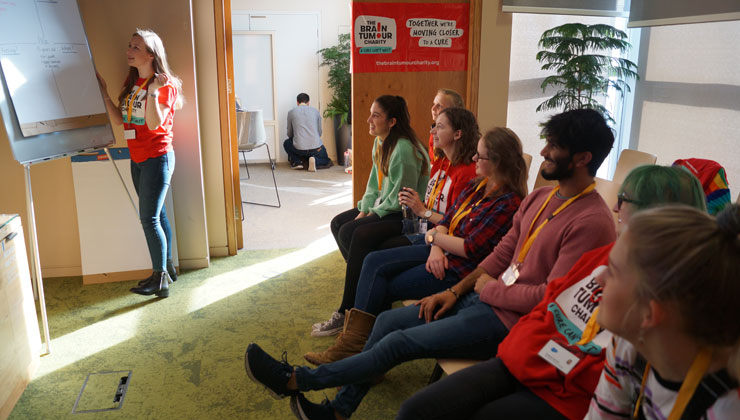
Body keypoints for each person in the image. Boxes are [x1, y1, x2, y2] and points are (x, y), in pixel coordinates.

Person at [244, 108, 617, 420]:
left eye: (555, 146)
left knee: (397, 343)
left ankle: (296, 379)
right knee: (388, 319)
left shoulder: (592, 222)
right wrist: (456, 291)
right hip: (479, 296)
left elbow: (553, 300)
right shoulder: (541, 197)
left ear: (583, 158)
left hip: (508, 321)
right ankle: (339, 411)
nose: (546, 151)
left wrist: (491, 289)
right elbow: (502, 254)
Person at [397, 165, 708, 420]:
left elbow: (605, 374)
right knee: (416, 409)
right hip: (527, 361)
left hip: (564, 390)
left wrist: (490, 293)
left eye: (624, 199)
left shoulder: (661, 301)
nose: (615, 205)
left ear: (656, 215)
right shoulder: (603, 253)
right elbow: (550, 304)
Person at [303, 126, 526, 366]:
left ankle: (359, 352)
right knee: (373, 261)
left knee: (379, 278)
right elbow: (448, 220)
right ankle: (357, 349)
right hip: (442, 250)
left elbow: (471, 248)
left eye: (480, 156)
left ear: (497, 161)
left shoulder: (508, 203)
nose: (474, 158)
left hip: (457, 268)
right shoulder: (478, 186)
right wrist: (435, 242)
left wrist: (433, 239)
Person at [312, 107, 477, 337]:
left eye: (440, 126)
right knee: (355, 237)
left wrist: (424, 215)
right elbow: (376, 186)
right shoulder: (442, 163)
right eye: (434, 124)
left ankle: (356, 327)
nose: (433, 130)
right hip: (427, 228)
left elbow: (456, 223)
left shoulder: (465, 172)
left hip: (431, 233)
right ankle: (358, 324)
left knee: (369, 249)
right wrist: (372, 209)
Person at [586, 204, 740, 419]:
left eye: (613, 271)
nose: (599, 278)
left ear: (649, 313)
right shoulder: (626, 346)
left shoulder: (726, 409)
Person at [320, 95, 429, 330]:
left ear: (392, 121)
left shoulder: (403, 149)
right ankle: (367, 289)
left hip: (406, 215)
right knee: (338, 224)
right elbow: (374, 184)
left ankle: (348, 309)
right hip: (387, 206)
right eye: (370, 113)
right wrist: (365, 208)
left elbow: (402, 199)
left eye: (376, 115)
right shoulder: (381, 141)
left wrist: (372, 214)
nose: (368, 119)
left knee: (355, 234)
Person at [98, 29, 182, 298]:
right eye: (129, 45)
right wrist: (105, 95)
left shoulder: (165, 85)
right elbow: (124, 122)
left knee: (149, 218)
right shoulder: (133, 82)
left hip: (158, 158)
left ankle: (160, 280)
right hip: (138, 158)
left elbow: (154, 124)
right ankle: (167, 269)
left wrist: (155, 93)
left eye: (136, 47)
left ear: (150, 54)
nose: (129, 51)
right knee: (159, 216)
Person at [284, 93, 332, 171]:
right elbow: (319, 132)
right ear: (308, 102)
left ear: (297, 102)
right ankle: (315, 161)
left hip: (299, 149)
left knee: (286, 143)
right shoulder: (315, 111)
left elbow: (289, 134)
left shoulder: (291, 112)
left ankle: (297, 162)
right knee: (327, 160)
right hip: (316, 149)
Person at [427, 89, 464, 161]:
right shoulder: (434, 133)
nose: (433, 108)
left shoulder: (460, 138)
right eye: (433, 104)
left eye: (439, 106)